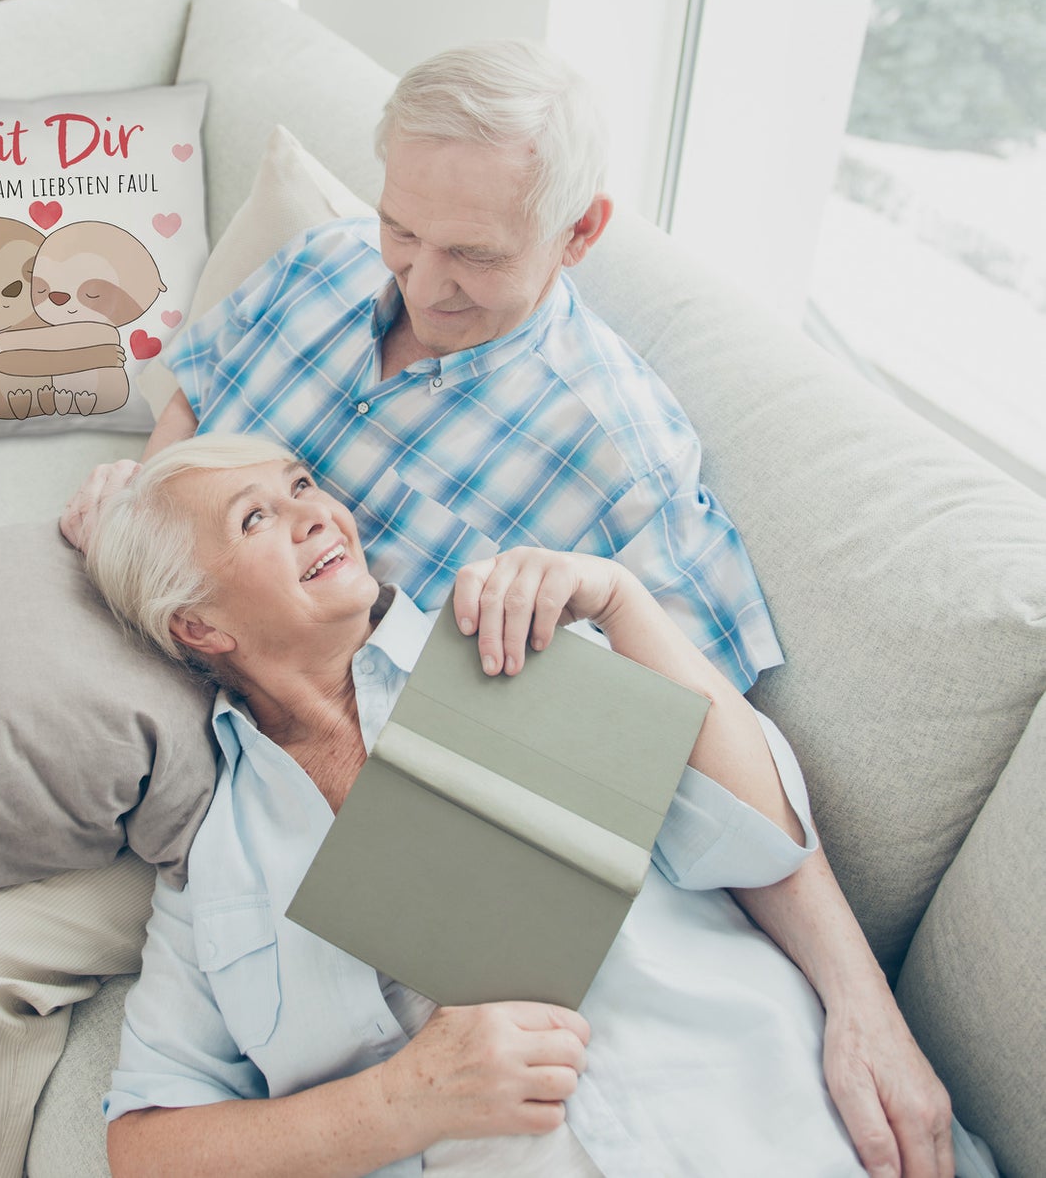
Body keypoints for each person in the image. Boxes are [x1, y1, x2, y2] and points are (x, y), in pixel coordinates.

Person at [0, 42, 950, 1178]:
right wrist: (147, 497)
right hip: (181, 619)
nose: (420, 277)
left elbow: (703, 752)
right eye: (405, 228)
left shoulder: (618, 458)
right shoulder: (326, 265)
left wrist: (860, 999)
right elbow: (195, 396)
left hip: (295, 744)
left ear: (577, 234)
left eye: (472, 253)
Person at [87, 434, 987, 1178]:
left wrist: (622, 602)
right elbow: (146, 1147)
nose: (316, 512)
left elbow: (759, 839)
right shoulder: (216, 864)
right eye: (256, 517)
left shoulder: (510, 641)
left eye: (301, 485)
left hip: (774, 1127)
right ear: (198, 626)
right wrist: (404, 1099)